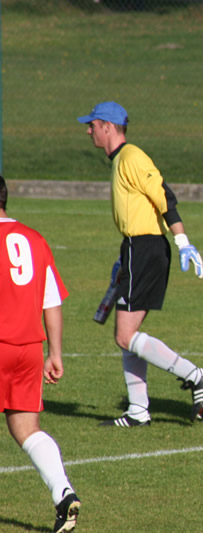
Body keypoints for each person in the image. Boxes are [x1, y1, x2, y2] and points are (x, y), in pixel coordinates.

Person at [78, 101, 203, 427]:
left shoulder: (131, 157)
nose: (89, 130)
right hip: (134, 248)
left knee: (125, 336)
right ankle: (138, 411)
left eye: (92, 125)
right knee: (128, 334)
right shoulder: (119, 161)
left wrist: (183, 241)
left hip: (146, 249)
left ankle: (196, 376)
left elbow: (164, 195)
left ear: (108, 127)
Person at [0, 176, 81, 532]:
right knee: (27, 428)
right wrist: (55, 352)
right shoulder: (35, 238)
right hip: (29, 350)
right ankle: (63, 493)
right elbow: (52, 300)